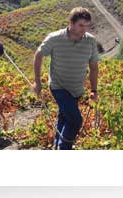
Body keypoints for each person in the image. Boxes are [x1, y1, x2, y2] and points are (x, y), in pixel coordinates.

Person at [33, 8, 99, 150]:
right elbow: (38, 55)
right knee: (75, 120)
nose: (84, 29)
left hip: (77, 90)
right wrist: (37, 82)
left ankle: (57, 146)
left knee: (65, 117)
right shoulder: (55, 38)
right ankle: (64, 148)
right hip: (58, 87)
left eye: (87, 26)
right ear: (71, 22)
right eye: (81, 25)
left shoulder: (91, 41)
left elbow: (94, 67)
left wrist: (94, 90)